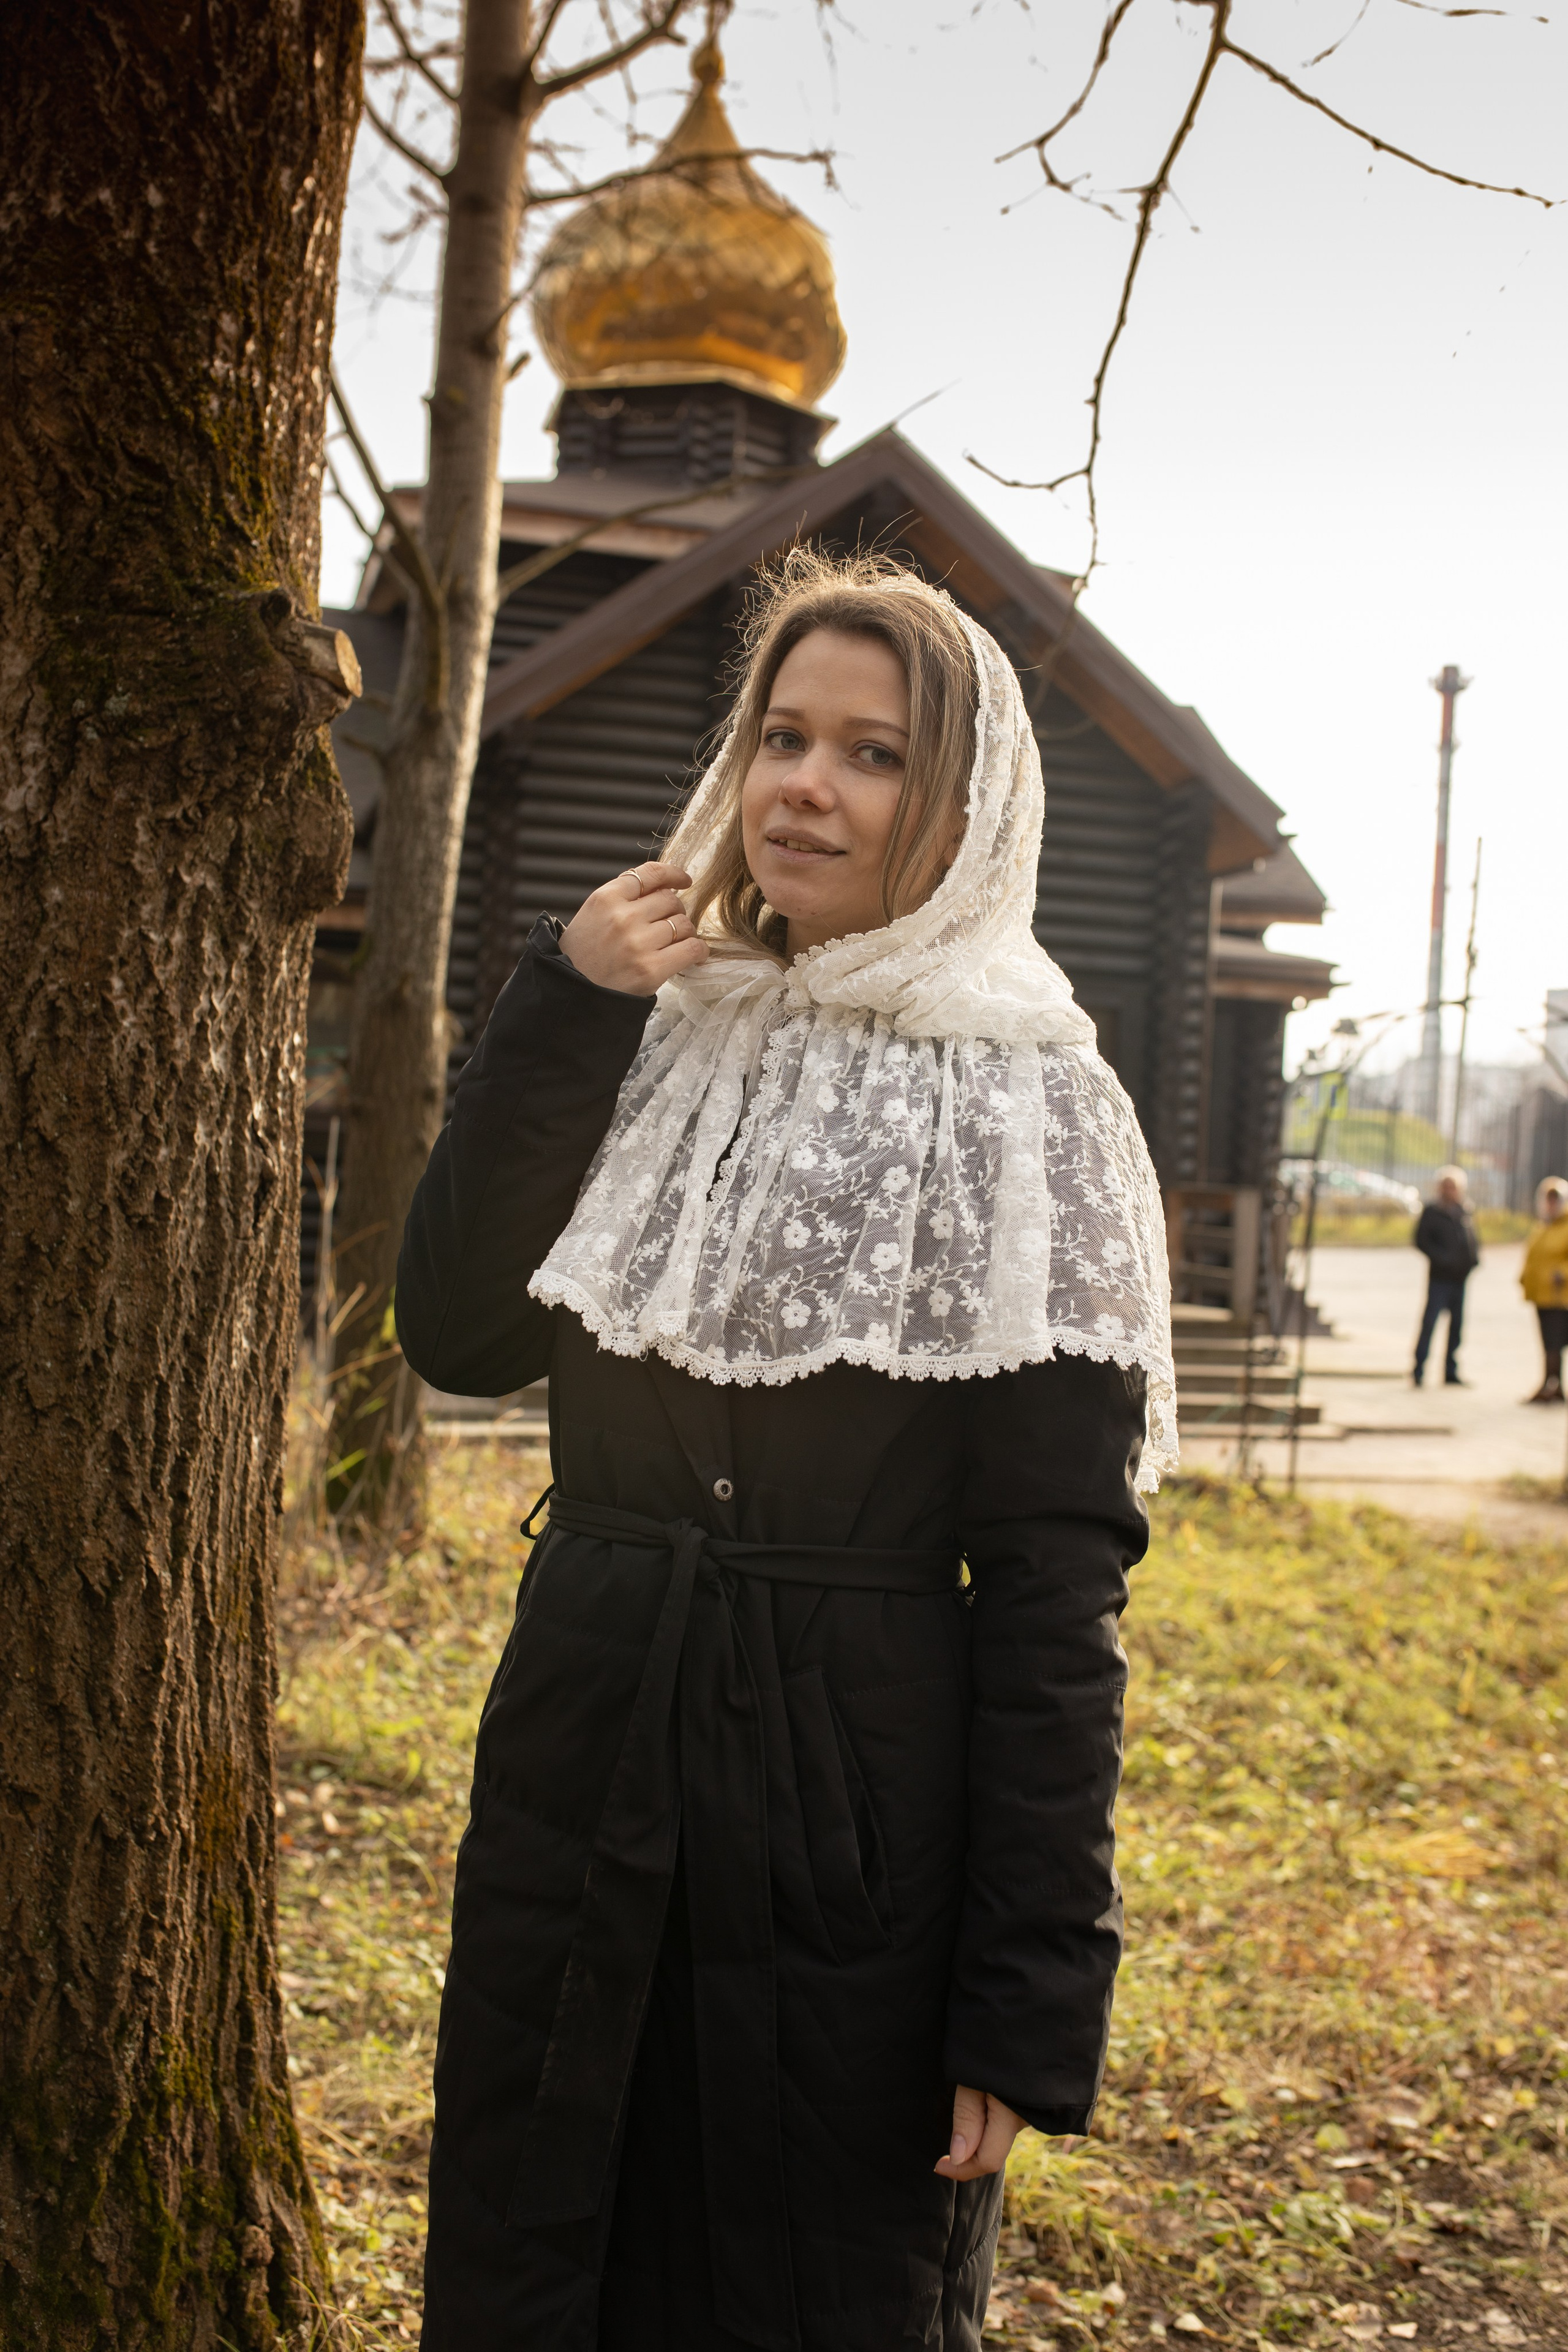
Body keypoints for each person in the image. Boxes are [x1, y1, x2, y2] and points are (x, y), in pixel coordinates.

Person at [396, 551, 1176, 2352]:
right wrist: (561, 1003)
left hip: (851, 1832)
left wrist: (1023, 1996)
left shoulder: (1031, 1095)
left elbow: (1059, 1587)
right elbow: (459, 1330)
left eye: (873, 752)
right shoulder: (656, 1026)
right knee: (536, 2263)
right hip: (580, 1766)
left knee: (811, 2288)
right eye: (782, 734)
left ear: (961, 803)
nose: (805, 784)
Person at [1412, 1165, 1480, 1388]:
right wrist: (1442, 1258)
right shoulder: (1433, 1211)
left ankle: (1450, 1371)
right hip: (1440, 1277)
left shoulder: (1464, 1211)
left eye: (1454, 1187)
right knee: (1430, 1323)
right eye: (1447, 1187)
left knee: (1457, 1327)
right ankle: (1419, 1368)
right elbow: (1421, 1240)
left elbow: (1472, 1240)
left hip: (1460, 1278)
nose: (1450, 1191)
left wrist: (1474, 1260)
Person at [1520, 1176, 1568, 1403]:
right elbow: (1534, 1257)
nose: (1551, 1205)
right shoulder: (1543, 1226)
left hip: (1560, 1296)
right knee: (1547, 1342)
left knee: (1555, 1342)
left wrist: (1561, 1273)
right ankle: (1553, 1383)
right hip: (1541, 1294)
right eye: (1548, 1200)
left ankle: (1552, 1384)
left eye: (1555, 1200)